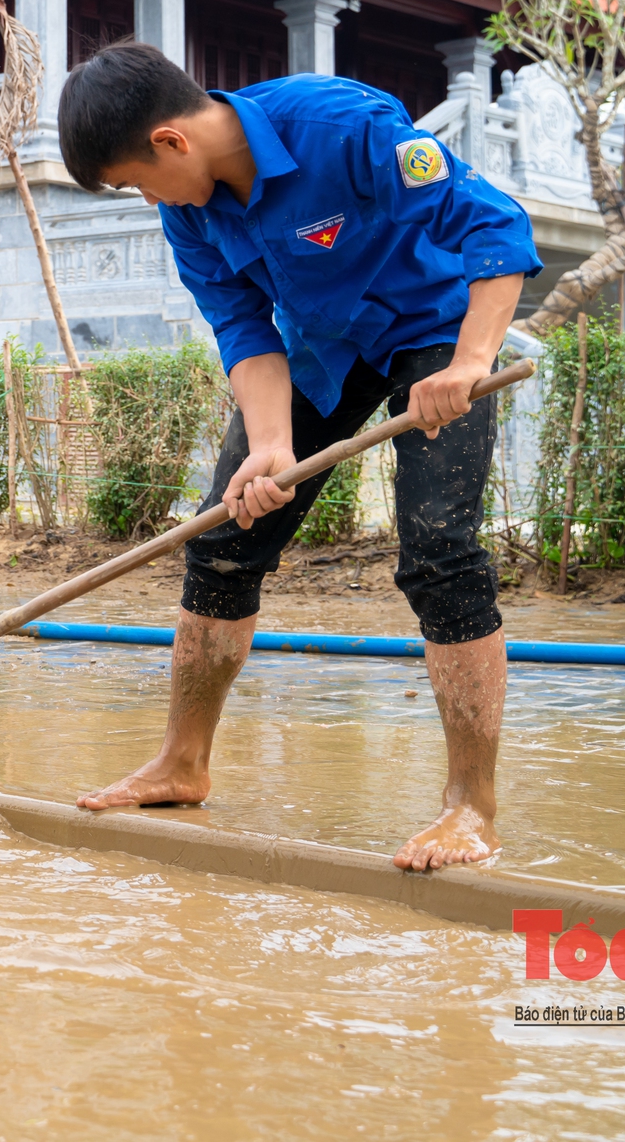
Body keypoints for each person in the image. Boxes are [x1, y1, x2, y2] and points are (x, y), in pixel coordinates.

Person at [56, 42, 540, 871]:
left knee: (440, 555)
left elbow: (497, 225)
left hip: (435, 331)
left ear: (172, 142)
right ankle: (182, 763)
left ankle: (471, 809)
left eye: (137, 181)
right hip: (321, 350)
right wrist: (272, 446)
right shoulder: (191, 212)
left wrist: (468, 364)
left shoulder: (344, 126)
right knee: (224, 541)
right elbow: (244, 331)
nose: (148, 200)